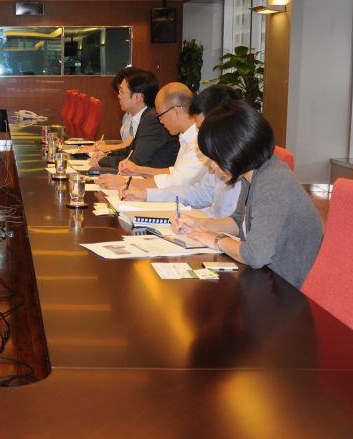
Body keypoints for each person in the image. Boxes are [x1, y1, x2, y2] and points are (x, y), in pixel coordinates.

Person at [171, 100, 323, 287]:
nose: (212, 166)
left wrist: (217, 240)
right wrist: (198, 225)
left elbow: (256, 255)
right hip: (266, 278)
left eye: (215, 158)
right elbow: (237, 222)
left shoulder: (272, 181)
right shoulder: (251, 173)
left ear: (236, 150)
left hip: (287, 287)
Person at [121, 84, 243, 217]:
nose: (200, 133)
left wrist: (129, 183)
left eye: (201, 127)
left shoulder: (239, 161)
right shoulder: (213, 147)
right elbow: (202, 193)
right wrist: (146, 194)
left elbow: (179, 182)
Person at [99, 82, 205, 190]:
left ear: (176, 112)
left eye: (160, 115)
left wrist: (124, 182)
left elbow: (177, 182)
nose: (161, 121)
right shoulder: (185, 136)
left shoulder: (199, 141)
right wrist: (139, 170)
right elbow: (176, 172)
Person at [91, 68, 178, 170]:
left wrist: (102, 161)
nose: (118, 96)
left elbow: (136, 161)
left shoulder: (152, 119)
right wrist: (106, 154)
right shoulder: (146, 115)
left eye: (122, 92)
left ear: (138, 97)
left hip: (152, 178)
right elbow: (129, 150)